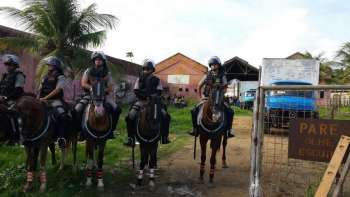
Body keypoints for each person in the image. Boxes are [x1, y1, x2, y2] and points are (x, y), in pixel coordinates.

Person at [74, 51, 121, 138]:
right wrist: (92, 88)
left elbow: (111, 87)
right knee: (77, 109)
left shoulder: (107, 73)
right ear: (94, 61)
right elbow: (83, 83)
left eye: (100, 59)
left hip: (103, 96)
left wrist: (102, 90)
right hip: (89, 95)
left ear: (103, 61)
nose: (98, 61)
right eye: (96, 59)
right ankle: (79, 131)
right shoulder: (88, 71)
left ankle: (112, 130)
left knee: (117, 109)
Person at [124, 59, 171, 147]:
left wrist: (152, 97)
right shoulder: (139, 79)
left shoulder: (157, 80)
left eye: (148, 69)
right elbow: (136, 90)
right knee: (130, 116)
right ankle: (130, 138)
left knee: (166, 116)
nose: (146, 71)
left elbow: (159, 91)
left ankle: (164, 136)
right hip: (141, 102)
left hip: (154, 102)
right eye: (145, 69)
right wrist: (144, 96)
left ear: (152, 70)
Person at [189, 56, 234, 138]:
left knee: (230, 111)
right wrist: (200, 98)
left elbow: (225, 88)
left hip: (219, 98)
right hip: (206, 98)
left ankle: (229, 130)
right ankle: (194, 129)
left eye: (215, 64)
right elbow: (199, 86)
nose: (213, 66)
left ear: (218, 65)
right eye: (212, 64)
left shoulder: (222, 75)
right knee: (194, 110)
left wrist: (220, 94)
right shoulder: (207, 75)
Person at [38, 56, 69, 148]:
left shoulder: (61, 76)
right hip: (42, 99)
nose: (49, 66)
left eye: (51, 65)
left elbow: (58, 90)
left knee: (62, 115)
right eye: (48, 65)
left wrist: (45, 98)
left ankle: (61, 137)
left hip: (55, 100)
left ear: (56, 66)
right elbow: (40, 89)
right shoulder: (45, 77)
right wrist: (38, 98)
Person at [0, 54, 25, 143]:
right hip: (2, 99)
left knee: (11, 115)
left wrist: (6, 98)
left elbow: (18, 91)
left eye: (10, 64)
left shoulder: (19, 75)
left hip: (14, 100)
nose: (8, 67)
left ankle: (15, 136)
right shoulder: (5, 76)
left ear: (15, 65)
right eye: (7, 65)